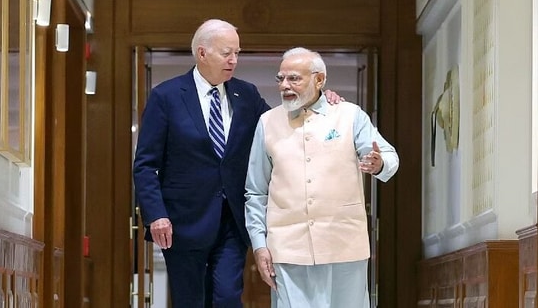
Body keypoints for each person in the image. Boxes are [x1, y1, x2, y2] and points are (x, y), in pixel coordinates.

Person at [133, 20, 342, 308]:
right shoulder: (166, 96)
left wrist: (318, 101)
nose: (234, 60)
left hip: (233, 217)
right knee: (190, 300)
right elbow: (145, 164)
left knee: (228, 297)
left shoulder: (247, 95)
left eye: (237, 53)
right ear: (202, 53)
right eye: (226, 53)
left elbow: (282, 125)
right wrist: (156, 214)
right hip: (183, 220)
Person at [244, 47, 400, 308]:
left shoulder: (350, 115)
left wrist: (379, 163)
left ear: (319, 80)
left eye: (294, 78)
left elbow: (388, 155)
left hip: (345, 245)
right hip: (287, 250)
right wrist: (260, 246)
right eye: (280, 78)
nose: (284, 85)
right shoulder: (267, 122)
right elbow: (255, 192)